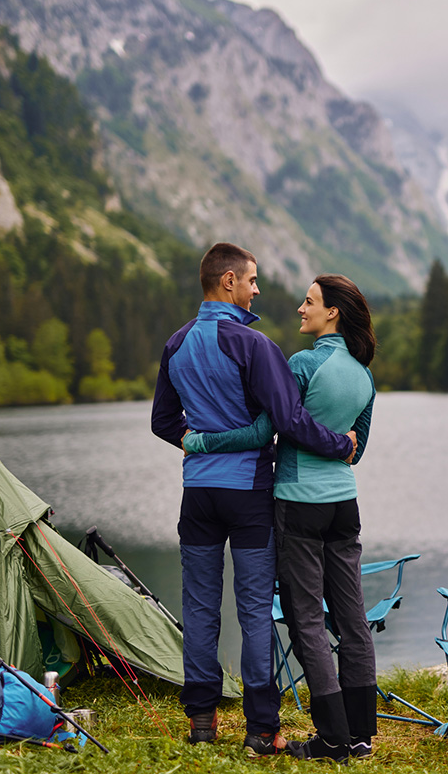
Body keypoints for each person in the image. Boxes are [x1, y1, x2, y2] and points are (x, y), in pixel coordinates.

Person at [150, 244, 356, 756]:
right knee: (254, 611)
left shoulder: (175, 344)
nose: (257, 289)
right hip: (248, 494)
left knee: (199, 606)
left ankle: (201, 720)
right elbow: (287, 420)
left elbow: (162, 422)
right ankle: (261, 728)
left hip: (197, 493)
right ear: (227, 282)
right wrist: (342, 445)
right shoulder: (253, 345)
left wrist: (199, 441)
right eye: (252, 280)